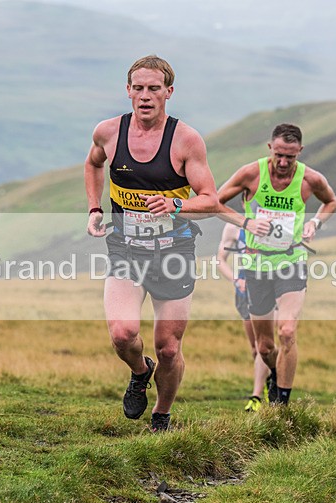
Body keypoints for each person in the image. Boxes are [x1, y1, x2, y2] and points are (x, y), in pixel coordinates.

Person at [84, 55, 219, 432]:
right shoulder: (109, 132)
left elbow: (211, 200)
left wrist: (175, 205)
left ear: (168, 92)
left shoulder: (186, 140)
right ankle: (140, 372)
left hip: (174, 252)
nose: (145, 96)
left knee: (169, 348)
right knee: (122, 334)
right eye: (139, 88)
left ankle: (161, 415)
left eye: (154, 88)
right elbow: (93, 163)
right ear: (128, 90)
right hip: (125, 248)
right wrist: (95, 207)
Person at [217, 124, 336, 405]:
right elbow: (215, 202)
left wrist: (314, 223)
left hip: (291, 262)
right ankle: (275, 373)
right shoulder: (250, 174)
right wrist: (246, 222)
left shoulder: (310, 179)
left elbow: (331, 202)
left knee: (287, 331)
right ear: (270, 147)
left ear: (300, 152)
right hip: (256, 265)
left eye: (290, 157)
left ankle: (282, 404)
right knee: (265, 346)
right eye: (279, 155)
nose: (283, 162)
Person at [214, 205, 270, 411]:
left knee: (266, 344)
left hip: (269, 288)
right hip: (245, 292)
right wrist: (236, 280)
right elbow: (220, 260)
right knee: (256, 348)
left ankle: (256, 395)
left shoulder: (274, 223)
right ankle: (267, 384)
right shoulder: (233, 228)